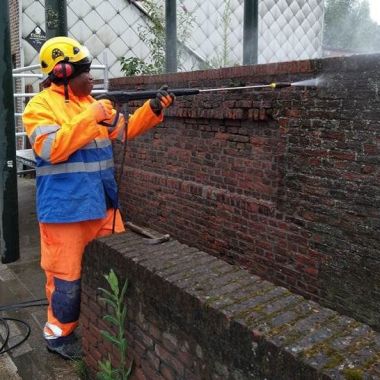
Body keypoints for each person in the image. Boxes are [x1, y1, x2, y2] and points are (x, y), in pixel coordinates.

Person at [22, 36, 175, 360]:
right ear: (62, 73)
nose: (91, 78)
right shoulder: (39, 107)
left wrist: (153, 109)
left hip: (103, 205)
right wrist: (90, 116)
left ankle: (108, 320)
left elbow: (125, 130)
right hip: (65, 213)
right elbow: (51, 149)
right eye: (85, 72)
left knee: (118, 265)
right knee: (66, 282)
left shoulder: (90, 103)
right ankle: (58, 336)